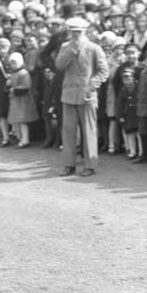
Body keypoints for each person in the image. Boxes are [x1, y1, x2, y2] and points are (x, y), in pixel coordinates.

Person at [54, 16, 109, 177]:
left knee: (89, 131)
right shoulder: (65, 46)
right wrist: (71, 50)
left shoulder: (94, 48)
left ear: (85, 31)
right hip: (69, 94)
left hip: (87, 95)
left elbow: (103, 71)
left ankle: (90, 165)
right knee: (68, 131)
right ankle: (68, 164)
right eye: (73, 31)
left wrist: (92, 85)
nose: (76, 34)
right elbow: (59, 65)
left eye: (79, 32)